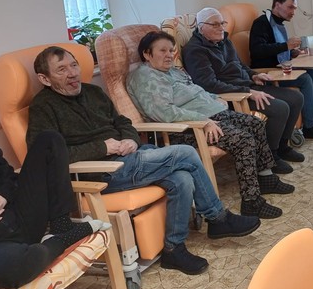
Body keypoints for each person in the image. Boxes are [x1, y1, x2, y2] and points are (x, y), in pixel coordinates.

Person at [27, 46, 260, 276]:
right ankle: (217, 218)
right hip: (102, 172)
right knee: (186, 153)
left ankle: (173, 249)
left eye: (74, 65)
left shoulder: (93, 92)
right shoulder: (43, 107)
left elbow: (123, 123)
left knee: (181, 178)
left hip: (129, 157)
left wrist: (130, 139)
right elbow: (45, 156)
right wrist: (102, 147)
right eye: (61, 70)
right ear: (44, 79)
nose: (72, 73)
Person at [129, 31, 294, 221]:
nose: (169, 55)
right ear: (147, 54)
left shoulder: (172, 71)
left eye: (171, 50)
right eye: (162, 51)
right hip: (187, 128)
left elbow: (197, 92)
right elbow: (163, 112)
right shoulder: (146, 77)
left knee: (255, 124)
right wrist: (204, 121)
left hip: (211, 115)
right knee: (243, 139)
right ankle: (251, 202)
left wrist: (215, 98)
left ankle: (265, 178)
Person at [182, 7, 305, 174]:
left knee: (296, 98)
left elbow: (240, 65)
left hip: (247, 86)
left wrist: (254, 75)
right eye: (215, 24)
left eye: (222, 23)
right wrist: (248, 92)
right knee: (280, 108)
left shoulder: (224, 40)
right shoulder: (195, 50)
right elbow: (208, 85)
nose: (221, 28)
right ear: (201, 27)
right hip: (232, 96)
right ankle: (270, 156)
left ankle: (282, 147)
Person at [0, 132, 110, 289]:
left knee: (49, 140)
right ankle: (61, 240)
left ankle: (61, 226)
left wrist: (2, 195)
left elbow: (11, 178)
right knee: (12, 269)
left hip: (21, 216)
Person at [249, 0, 313, 140]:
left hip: (279, 67)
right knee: (305, 79)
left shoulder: (279, 23)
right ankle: (309, 127)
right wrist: (286, 46)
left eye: (295, 8)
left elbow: (276, 50)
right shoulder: (261, 23)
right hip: (268, 73)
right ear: (277, 5)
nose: (293, 12)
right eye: (290, 7)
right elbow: (257, 50)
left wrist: (292, 52)